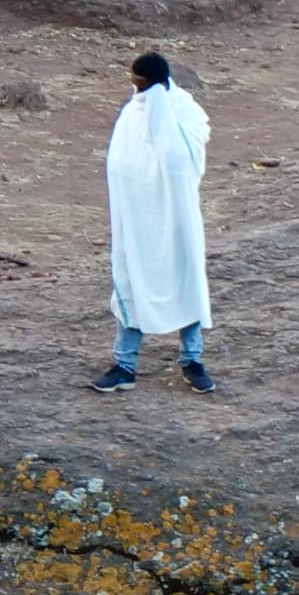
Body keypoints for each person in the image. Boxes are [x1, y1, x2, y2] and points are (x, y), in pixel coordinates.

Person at [97, 50, 215, 394]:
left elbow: (181, 162)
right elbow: (119, 164)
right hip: (137, 219)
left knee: (186, 279)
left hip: (176, 216)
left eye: (139, 83)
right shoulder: (132, 112)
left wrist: (162, 121)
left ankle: (192, 361)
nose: (135, 89)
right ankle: (124, 364)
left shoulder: (185, 112)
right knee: (133, 281)